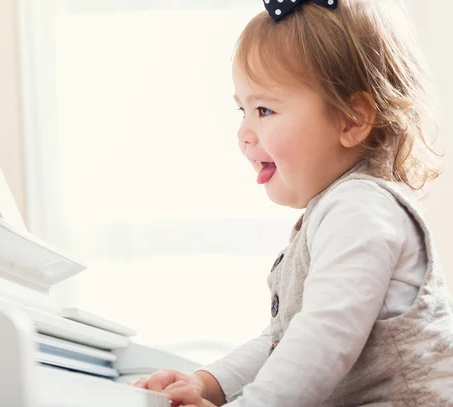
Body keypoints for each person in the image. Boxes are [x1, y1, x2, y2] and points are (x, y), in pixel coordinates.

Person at [130, 0, 453, 405]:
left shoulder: (361, 208)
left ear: (352, 120)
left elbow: (320, 339)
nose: (244, 133)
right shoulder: (335, 210)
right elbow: (283, 340)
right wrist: (207, 382)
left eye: (264, 109)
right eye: (242, 109)